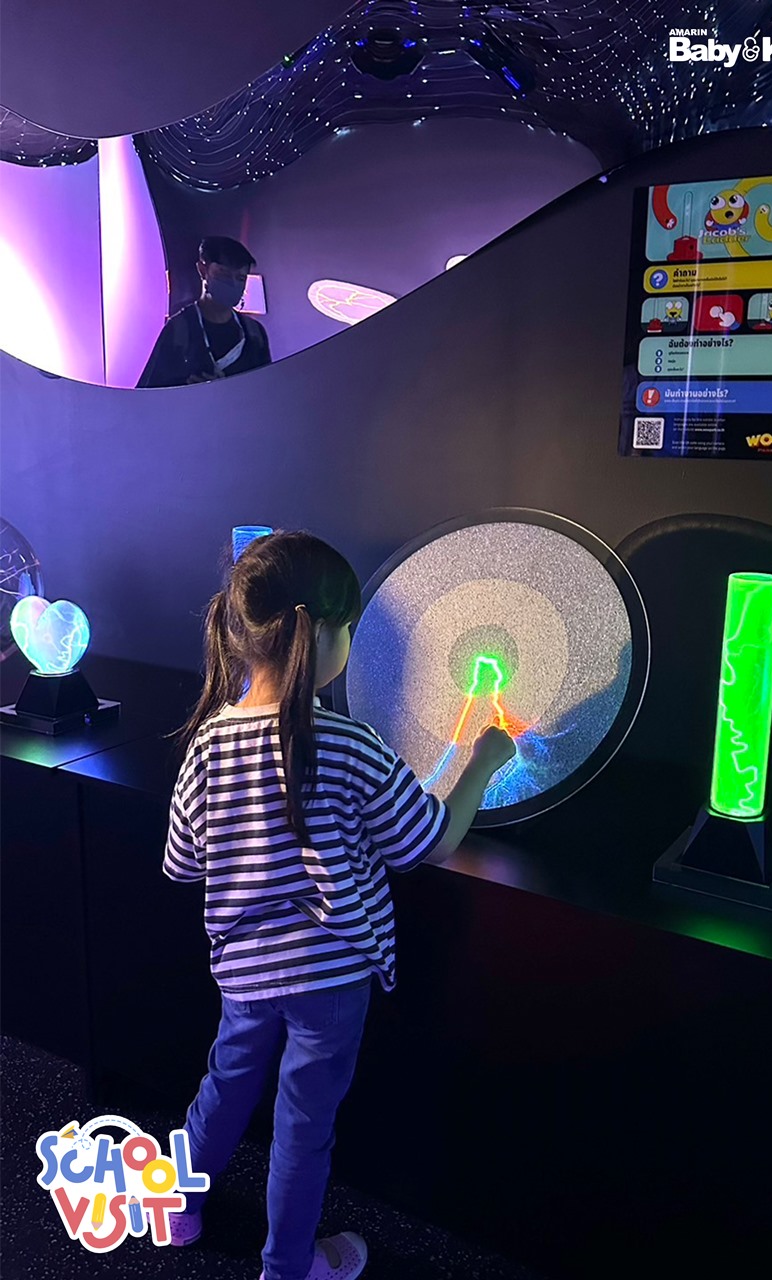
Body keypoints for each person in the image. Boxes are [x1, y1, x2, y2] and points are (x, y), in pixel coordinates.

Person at [163, 530, 516, 1280]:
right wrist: (482, 762)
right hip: (330, 981)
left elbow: (182, 862)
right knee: (303, 1130)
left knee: (223, 1087)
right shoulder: (349, 744)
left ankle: (177, 1207)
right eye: (350, 628)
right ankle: (288, 1268)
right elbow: (428, 840)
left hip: (243, 972)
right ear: (319, 634)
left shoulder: (206, 745)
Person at [137, 236, 271, 387]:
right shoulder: (179, 331)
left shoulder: (254, 334)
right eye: (224, 274)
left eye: (240, 278)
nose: (232, 283)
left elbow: (266, 389)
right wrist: (188, 388)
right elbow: (150, 392)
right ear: (202, 270)